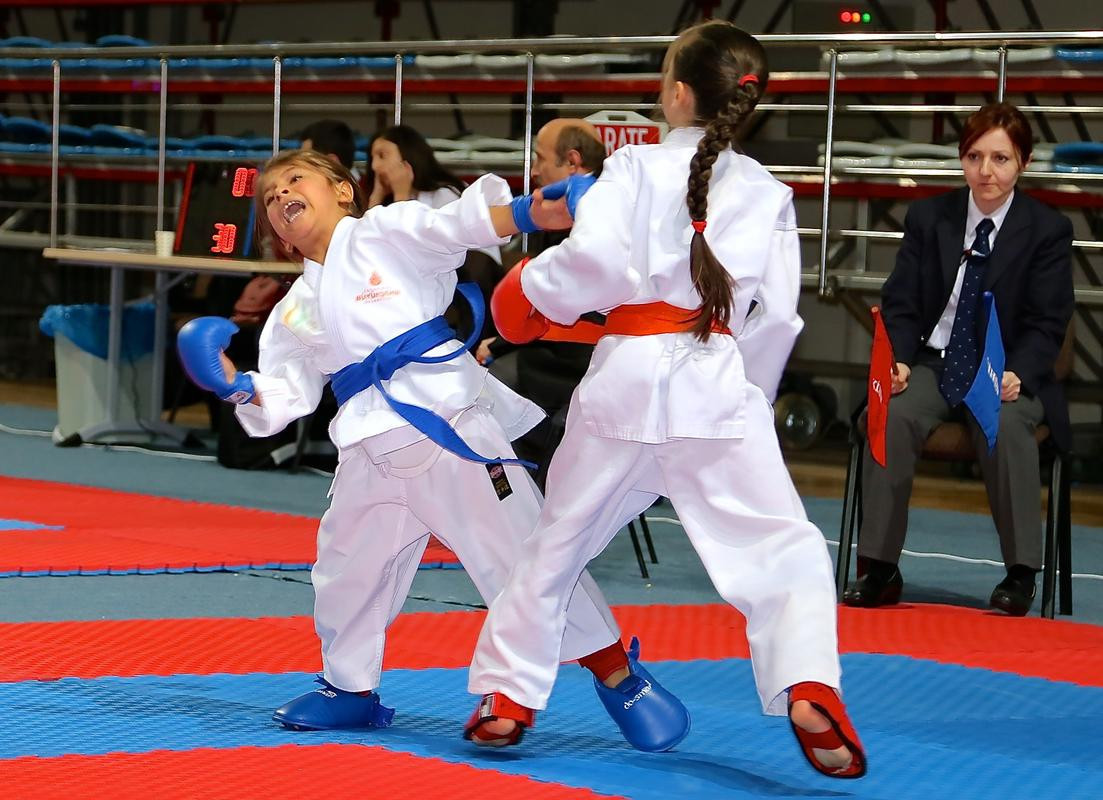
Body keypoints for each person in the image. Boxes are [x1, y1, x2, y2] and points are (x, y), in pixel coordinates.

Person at [175, 149, 689, 751]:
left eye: (295, 180)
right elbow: (287, 394)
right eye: (269, 197)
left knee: (522, 560)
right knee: (345, 573)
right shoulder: (291, 311)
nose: (282, 194)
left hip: (450, 426)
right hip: (368, 451)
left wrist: (529, 212)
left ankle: (619, 678)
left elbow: (456, 226)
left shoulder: (386, 231)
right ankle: (349, 688)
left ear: (343, 191)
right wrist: (235, 385)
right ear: (277, 233)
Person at [463, 20, 866, 780]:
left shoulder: (633, 167)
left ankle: (507, 697)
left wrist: (527, 289)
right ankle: (808, 683)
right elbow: (779, 318)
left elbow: (591, 263)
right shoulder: (768, 192)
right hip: (715, 385)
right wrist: (746, 398)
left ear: (678, 95)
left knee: (555, 545)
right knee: (781, 545)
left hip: (623, 383)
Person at [843, 102, 1074, 617]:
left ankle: (1020, 572)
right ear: (961, 159)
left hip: (1003, 370)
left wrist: (1018, 372)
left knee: (1006, 425)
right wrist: (900, 360)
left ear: (1024, 163)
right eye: (974, 157)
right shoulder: (930, 218)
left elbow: (1048, 322)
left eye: (1001, 159)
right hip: (933, 362)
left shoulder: (1047, 229)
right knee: (891, 414)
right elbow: (901, 302)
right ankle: (878, 567)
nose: (986, 171)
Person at [476, 118, 606, 488]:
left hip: (583, 360)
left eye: (540, 158)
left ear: (572, 162)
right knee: (484, 383)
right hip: (556, 350)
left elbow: (560, 303)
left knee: (488, 391)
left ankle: (525, 495)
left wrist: (499, 345)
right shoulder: (558, 210)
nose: (534, 170)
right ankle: (515, 496)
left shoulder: (599, 216)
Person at [368, 124, 503, 345]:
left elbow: (411, 250)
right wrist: (375, 198)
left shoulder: (444, 195)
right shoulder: (385, 204)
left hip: (470, 281)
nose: (375, 166)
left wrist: (401, 195)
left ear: (407, 158)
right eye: (372, 158)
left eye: (382, 156)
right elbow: (369, 249)